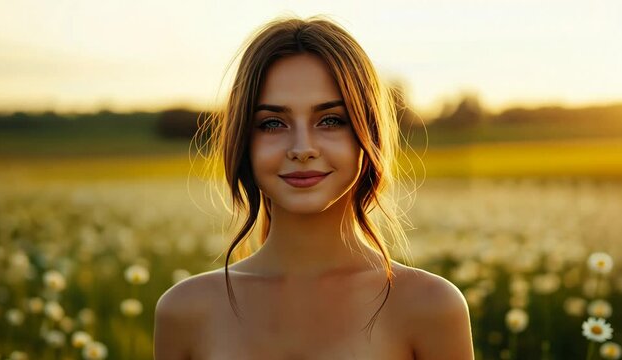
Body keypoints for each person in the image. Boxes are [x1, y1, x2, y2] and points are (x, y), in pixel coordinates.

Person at [154, 15, 474, 360]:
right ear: (243, 140)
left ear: (368, 134)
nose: (302, 148)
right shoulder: (185, 312)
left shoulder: (430, 307)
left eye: (331, 120)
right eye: (272, 123)